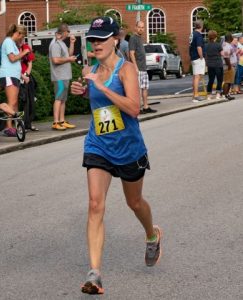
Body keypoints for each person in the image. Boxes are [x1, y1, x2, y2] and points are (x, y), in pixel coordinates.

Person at [71, 16, 162, 295]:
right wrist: (82, 89)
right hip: (98, 145)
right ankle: (95, 273)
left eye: (101, 38)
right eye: (93, 39)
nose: (95, 44)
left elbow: (134, 108)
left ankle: (152, 234)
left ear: (115, 40)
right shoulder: (90, 69)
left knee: (134, 203)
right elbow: (96, 104)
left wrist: (102, 88)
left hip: (129, 148)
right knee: (95, 204)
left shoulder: (127, 70)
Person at [0, 24, 30, 137]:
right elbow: (12, 59)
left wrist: (22, 76)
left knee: (15, 102)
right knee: (12, 102)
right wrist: (24, 53)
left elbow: (14, 64)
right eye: (22, 36)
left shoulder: (13, 44)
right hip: (8, 75)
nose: (22, 38)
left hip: (13, 75)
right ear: (18, 33)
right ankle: (8, 127)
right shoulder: (8, 42)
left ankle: (17, 126)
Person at [49, 23, 77, 130]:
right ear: (63, 32)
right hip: (59, 76)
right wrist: (69, 60)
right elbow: (55, 60)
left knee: (63, 99)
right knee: (58, 98)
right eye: (68, 32)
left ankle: (62, 120)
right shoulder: (55, 44)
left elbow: (68, 54)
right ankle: (56, 122)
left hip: (64, 76)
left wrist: (72, 43)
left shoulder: (61, 43)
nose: (68, 34)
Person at [129, 21, 157, 114]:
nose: (141, 29)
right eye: (139, 27)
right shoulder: (133, 38)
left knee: (145, 88)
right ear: (135, 27)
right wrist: (135, 67)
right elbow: (131, 53)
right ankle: (138, 108)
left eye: (143, 27)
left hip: (143, 68)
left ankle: (146, 107)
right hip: (138, 69)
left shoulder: (140, 38)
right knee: (137, 89)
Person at [18, 39, 38, 131]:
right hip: (17, 77)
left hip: (27, 77)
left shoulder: (26, 47)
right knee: (22, 101)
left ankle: (28, 123)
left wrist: (26, 74)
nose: (21, 41)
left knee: (30, 101)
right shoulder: (14, 49)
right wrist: (22, 76)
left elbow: (30, 63)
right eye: (19, 40)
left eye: (22, 39)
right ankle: (21, 124)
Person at [189, 20, 206, 102]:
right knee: (197, 77)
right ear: (201, 26)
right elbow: (199, 47)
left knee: (195, 76)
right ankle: (196, 95)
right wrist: (202, 56)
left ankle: (194, 95)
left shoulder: (192, 33)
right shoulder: (198, 35)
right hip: (198, 58)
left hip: (193, 57)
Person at [205, 30, 225, 100]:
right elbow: (222, 54)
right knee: (219, 80)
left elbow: (206, 55)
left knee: (211, 80)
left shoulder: (206, 45)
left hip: (210, 65)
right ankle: (218, 94)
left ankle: (209, 95)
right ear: (215, 37)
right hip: (218, 64)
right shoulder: (218, 45)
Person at [222, 33, 236, 100]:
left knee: (229, 81)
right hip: (228, 65)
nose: (233, 38)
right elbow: (226, 57)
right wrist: (229, 65)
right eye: (232, 36)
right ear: (230, 38)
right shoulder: (226, 46)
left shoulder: (228, 45)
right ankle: (225, 95)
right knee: (227, 81)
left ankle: (227, 94)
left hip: (230, 65)